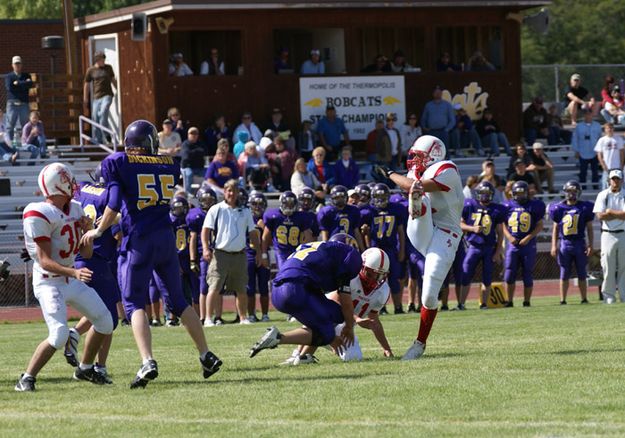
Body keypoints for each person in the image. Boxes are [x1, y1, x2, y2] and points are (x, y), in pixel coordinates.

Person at [80, 120, 222, 388]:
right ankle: (205, 354)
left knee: (134, 304)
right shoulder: (171, 163)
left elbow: (111, 205)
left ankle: (147, 361)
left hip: (139, 239)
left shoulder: (118, 162)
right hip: (165, 237)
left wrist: (98, 231)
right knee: (179, 301)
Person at [16, 163, 114, 391]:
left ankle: (85, 368)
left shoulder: (76, 209)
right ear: (59, 184)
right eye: (69, 181)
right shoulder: (38, 213)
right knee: (59, 334)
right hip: (49, 282)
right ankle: (27, 378)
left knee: (105, 321)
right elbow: (44, 260)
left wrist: (87, 233)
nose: (74, 185)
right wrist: (74, 272)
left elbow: (86, 253)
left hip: (70, 278)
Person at [373, 135, 464, 360]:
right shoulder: (418, 173)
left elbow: (417, 184)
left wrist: (390, 174)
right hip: (424, 230)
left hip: (446, 234)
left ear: (433, 155)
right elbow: (414, 184)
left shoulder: (447, 168)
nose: (414, 161)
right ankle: (417, 207)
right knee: (418, 195)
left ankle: (420, 343)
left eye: (419, 156)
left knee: (429, 294)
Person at [249, 234, 362, 359]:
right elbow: (345, 297)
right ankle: (278, 338)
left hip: (277, 292)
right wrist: (348, 327)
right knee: (327, 333)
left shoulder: (314, 248)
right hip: (296, 290)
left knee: (335, 313)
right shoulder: (349, 255)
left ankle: (302, 356)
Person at [62, 165, 122, 384]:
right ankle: (92, 363)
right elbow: (118, 234)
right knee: (108, 318)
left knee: (102, 312)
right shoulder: (108, 196)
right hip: (97, 259)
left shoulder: (81, 191)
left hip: (82, 256)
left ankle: (93, 358)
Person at [282, 247, 393, 365]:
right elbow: (337, 304)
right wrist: (357, 319)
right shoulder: (351, 277)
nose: (374, 279)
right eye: (370, 274)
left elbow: (374, 321)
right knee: (325, 319)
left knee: (353, 357)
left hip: (345, 327)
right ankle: (302, 355)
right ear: (362, 267)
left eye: (379, 276)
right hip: (327, 314)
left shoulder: (383, 291)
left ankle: (317, 344)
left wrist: (386, 348)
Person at [201, 179, 262, 325]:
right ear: (224, 191)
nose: (231, 193)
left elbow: (253, 233)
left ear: (238, 193)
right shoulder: (216, 209)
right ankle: (209, 318)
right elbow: (206, 230)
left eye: (234, 191)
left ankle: (243, 317)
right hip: (220, 254)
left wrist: (259, 251)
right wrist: (205, 248)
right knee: (214, 287)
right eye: (228, 190)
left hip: (240, 254)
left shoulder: (245, 211)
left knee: (241, 288)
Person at [460, 181, 505, 310]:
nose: (485, 196)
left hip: (489, 247)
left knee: (487, 276)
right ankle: (461, 304)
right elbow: (460, 224)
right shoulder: (469, 205)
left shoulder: (496, 209)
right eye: (483, 193)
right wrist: (472, 228)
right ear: (478, 193)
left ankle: (484, 304)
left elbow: (500, 233)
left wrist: (498, 251)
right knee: (466, 274)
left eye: (487, 194)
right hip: (473, 246)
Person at [362, 183, 406, 314]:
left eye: (383, 196)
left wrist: (402, 249)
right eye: (378, 196)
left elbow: (401, 232)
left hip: (391, 248)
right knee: (375, 281)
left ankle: (398, 307)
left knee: (394, 280)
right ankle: (380, 309)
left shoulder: (396, 209)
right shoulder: (368, 211)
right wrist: (368, 249)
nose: (380, 199)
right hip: (376, 249)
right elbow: (366, 233)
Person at [549, 181, 594, 305]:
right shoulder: (558, 208)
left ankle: (584, 298)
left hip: (579, 242)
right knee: (564, 273)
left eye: (574, 191)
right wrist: (553, 245)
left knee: (582, 273)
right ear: (565, 192)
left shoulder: (584, 207)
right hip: (565, 243)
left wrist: (590, 244)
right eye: (569, 191)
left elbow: (589, 228)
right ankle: (563, 299)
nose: (572, 194)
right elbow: (555, 229)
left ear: (579, 192)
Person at [502, 181, 545, 307]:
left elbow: (539, 225)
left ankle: (527, 301)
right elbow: (502, 224)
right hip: (513, 244)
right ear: (513, 193)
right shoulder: (507, 205)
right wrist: (509, 237)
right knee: (509, 273)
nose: (520, 195)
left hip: (528, 245)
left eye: (522, 193)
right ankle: (509, 301)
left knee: (527, 273)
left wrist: (528, 237)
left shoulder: (534, 205)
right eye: (517, 193)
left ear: (527, 193)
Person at [186, 186, 217, 325]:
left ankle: (217, 316)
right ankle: (204, 317)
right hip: (203, 254)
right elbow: (193, 238)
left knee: (217, 286)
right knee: (203, 286)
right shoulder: (195, 215)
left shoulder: (218, 211)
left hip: (218, 252)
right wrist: (193, 259)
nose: (208, 203)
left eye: (210, 200)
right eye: (205, 200)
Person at [593, 169, 625, 303]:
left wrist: (610, 212)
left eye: (617, 179)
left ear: (622, 180)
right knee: (607, 267)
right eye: (613, 179)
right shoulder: (603, 195)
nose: (615, 181)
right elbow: (600, 216)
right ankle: (609, 297)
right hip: (607, 234)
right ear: (609, 180)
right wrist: (619, 214)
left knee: (624, 267)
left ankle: (624, 296)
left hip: (623, 233)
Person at [262, 191, 314, 269]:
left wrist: (307, 253)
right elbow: (265, 237)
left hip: (296, 250)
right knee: (284, 271)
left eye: (291, 204)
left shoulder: (302, 217)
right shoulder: (274, 216)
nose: (288, 206)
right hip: (280, 251)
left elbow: (308, 238)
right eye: (286, 203)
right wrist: (264, 255)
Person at [83, 51, 116, 145]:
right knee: (95, 118)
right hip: (96, 98)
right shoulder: (91, 70)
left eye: (104, 59)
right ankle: (98, 140)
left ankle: (106, 135)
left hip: (107, 95)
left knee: (103, 113)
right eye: (102, 59)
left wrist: (119, 90)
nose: (103, 61)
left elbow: (113, 80)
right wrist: (85, 98)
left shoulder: (108, 68)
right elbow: (86, 84)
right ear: (97, 60)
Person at [247, 192, 271, 322]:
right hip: (249, 254)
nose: (257, 207)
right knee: (249, 288)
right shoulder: (245, 218)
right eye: (254, 204)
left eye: (260, 204)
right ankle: (251, 315)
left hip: (264, 253)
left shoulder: (268, 219)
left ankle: (265, 314)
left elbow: (272, 241)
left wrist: (265, 227)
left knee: (263, 287)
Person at [317, 185, 365, 250]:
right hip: (333, 245)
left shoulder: (353, 210)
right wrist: (326, 249)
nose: (340, 200)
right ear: (332, 198)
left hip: (350, 244)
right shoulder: (327, 211)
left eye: (342, 197)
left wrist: (362, 249)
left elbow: (356, 232)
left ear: (346, 198)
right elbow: (325, 233)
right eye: (337, 197)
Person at [5, 55, 34, 144]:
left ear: (21, 65)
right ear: (12, 65)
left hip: (24, 103)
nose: (17, 65)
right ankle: (8, 144)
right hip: (12, 103)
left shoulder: (26, 75)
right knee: (10, 125)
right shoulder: (9, 76)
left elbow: (30, 84)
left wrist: (18, 83)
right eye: (15, 63)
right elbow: (9, 88)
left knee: (25, 125)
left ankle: (25, 143)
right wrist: (23, 85)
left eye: (19, 63)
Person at [572, 110, 602, 188]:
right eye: (586, 114)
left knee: (595, 171)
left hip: (595, 151)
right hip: (582, 151)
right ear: (584, 116)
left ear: (592, 115)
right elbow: (575, 139)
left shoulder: (597, 125)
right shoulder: (579, 126)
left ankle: (595, 186)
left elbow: (600, 139)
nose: (588, 116)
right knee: (583, 171)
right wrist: (576, 150)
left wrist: (601, 151)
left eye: (589, 114)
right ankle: (582, 187)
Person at [420, 86, 455, 152]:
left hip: (443, 131)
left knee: (444, 150)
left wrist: (447, 129)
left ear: (441, 94)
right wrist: (424, 127)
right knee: (432, 151)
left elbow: (452, 120)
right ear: (433, 94)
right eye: (436, 92)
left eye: (439, 92)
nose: (437, 94)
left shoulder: (447, 105)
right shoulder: (428, 105)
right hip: (432, 131)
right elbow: (424, 118)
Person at [595, 123, 625, 189]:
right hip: (607, 168)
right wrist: (603, 166)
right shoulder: (601, 140)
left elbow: (622, 153)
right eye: (608, 128)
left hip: (617, 167)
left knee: (620, 187)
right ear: (605, 130)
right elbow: (599, 155)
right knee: (605, 187)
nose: (609, 130)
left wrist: (621, 165)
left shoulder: (618, 139)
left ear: (613, 129)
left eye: (611, 128)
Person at [180, 127, 206, 193]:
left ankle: (205, 192)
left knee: (208, 174)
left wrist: (192, 152)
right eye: (191, 133)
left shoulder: (201, 143)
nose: (193, 135)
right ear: (188, 135)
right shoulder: (185, 144)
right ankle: (188, 194)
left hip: (199, 167)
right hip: (187, 167)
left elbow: (204, 152)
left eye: (195, 134)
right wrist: (198, 152)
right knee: (189, 174)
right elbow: (186, 156)